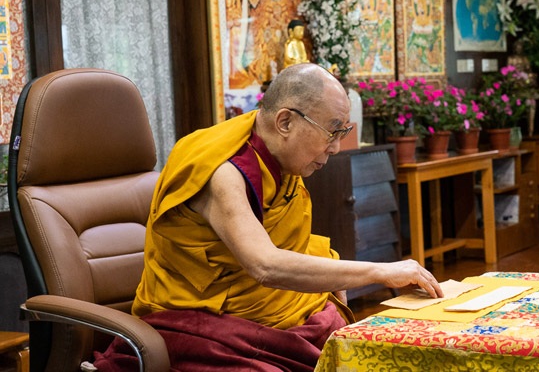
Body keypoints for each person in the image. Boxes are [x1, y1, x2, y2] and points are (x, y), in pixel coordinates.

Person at [94, 63, 443, 371]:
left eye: (343, 132)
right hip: (202, 321)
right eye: (332, 131)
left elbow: (292, 242)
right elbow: (265, 265)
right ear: (285, 121)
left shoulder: (281, 159)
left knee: (357, 345)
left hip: (271, 309)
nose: (336, 147)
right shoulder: (223, 171)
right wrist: (381, 272)